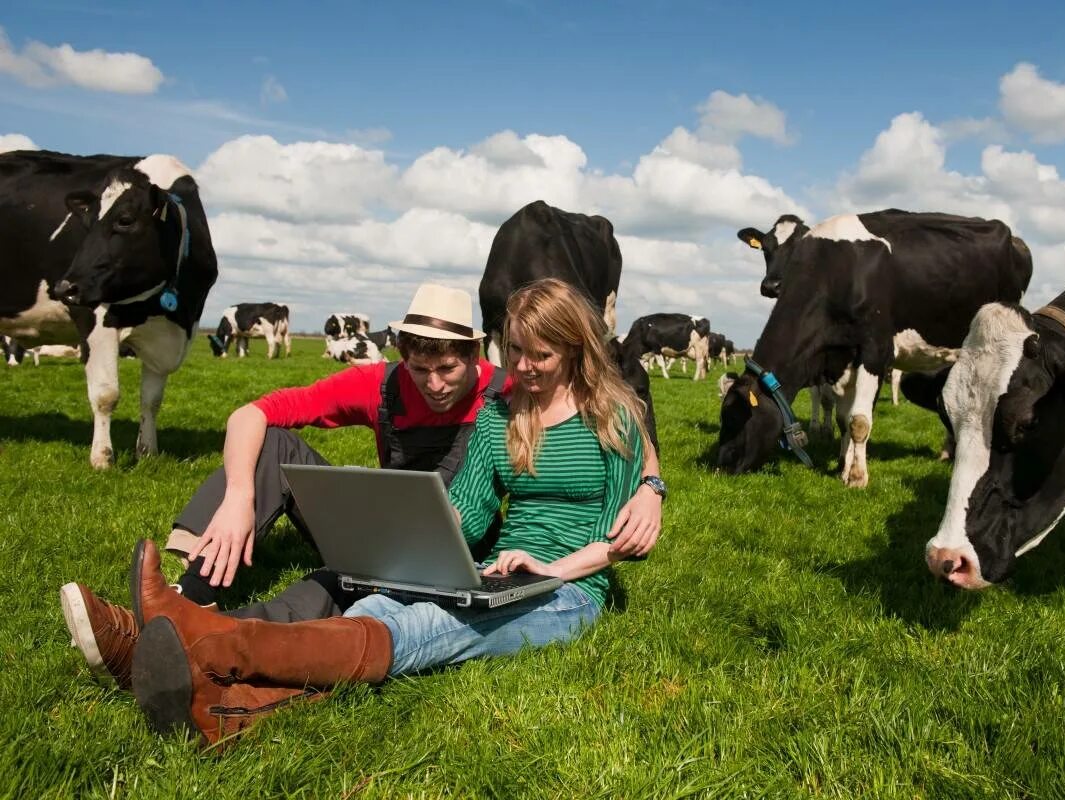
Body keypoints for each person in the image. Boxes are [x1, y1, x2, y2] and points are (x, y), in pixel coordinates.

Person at [60, 282, 664, 694]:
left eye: (541, 356)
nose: (526, 369)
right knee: (371, 598)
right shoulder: (500, 412)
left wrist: (646, 491)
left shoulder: (564, 404)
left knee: (405, 621)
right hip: (465, 558)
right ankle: (208, 651)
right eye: (520, 354)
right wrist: (426, 537)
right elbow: (470, 512)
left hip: (569, 587)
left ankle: (204, 649)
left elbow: (620, 515)